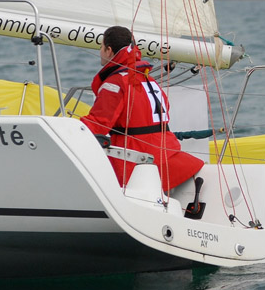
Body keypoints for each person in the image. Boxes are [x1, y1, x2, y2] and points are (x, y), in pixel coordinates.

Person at [81, 26, 203, 192]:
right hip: (169, 156)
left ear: (109, 50)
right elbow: (164, 108)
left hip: (136, 163)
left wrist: (67, 129)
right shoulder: (149, 80)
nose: (100, 51)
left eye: (101, 47)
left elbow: (98, 124)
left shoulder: (116, 83)